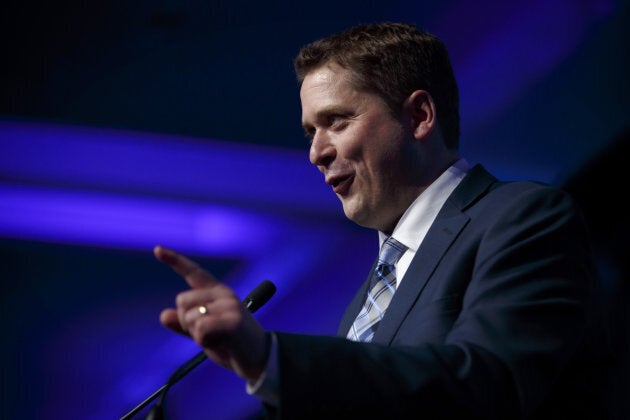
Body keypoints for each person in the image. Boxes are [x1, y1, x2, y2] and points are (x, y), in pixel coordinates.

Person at [154, 22, 610, 419]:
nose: (316, 153)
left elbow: (488, 385)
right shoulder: (367, 296)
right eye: (311, 132)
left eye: (337, 121)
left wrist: (271, 359)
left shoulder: (522, 217)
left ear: (419, 116)